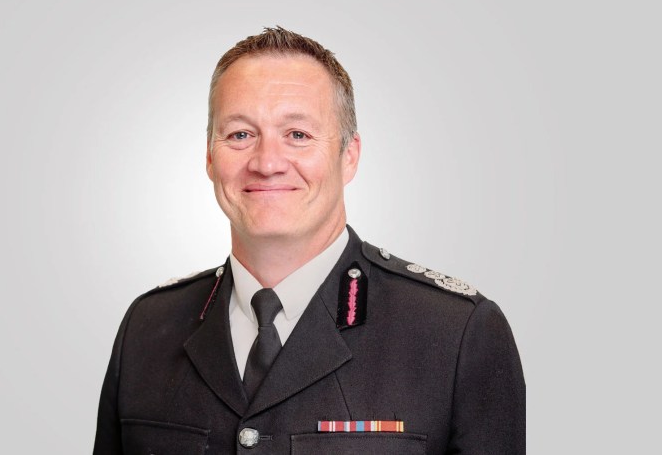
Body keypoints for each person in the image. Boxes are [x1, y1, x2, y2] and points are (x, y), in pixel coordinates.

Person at [94, 26, 525, 454]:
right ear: (210, 157)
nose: (266, 163)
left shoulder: (455, 334)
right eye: (240, 134)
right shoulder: (147, 329)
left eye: (298, 135)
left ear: (349, 155)